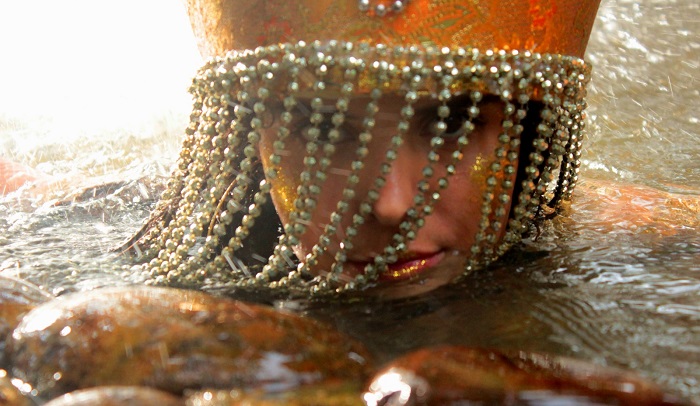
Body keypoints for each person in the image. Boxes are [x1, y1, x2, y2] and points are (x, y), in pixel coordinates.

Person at [121, 0, 603, 299]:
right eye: (326, 130)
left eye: (450, 124)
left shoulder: (627, 241)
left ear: (530, 135)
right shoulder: (146, 260)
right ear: (250, 146)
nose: (392, 206)